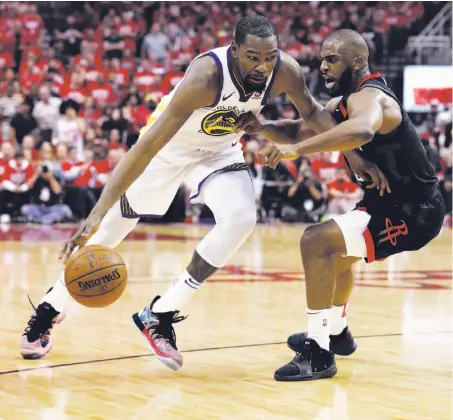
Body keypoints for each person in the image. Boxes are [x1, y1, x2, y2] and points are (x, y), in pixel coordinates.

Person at [20, 19, 386, 371]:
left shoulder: (285, 70)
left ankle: (159, 314)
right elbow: (145, 146)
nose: (262, 66)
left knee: (242, 218)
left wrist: (353, 156)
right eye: (252, 57)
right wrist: (98, 209)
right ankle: (49, 310)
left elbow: (312, 114)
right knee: (108, 235)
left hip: (219, 151)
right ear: (234, 49)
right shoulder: (206, 76)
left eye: (269, 56)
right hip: (167, 149)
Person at [234, 29, 445, 381]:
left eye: (332, 59)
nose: (323, 67)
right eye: (321, 60)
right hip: (386, 205)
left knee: (316, 241)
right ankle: (335, 332)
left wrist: (296, 152)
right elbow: (298, 130)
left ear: (358, 61)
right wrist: (261, 127)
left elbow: (361, 131)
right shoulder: (344, 102)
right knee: (339, 256)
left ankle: (318, 353)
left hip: (414, 212)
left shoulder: (372, 98)